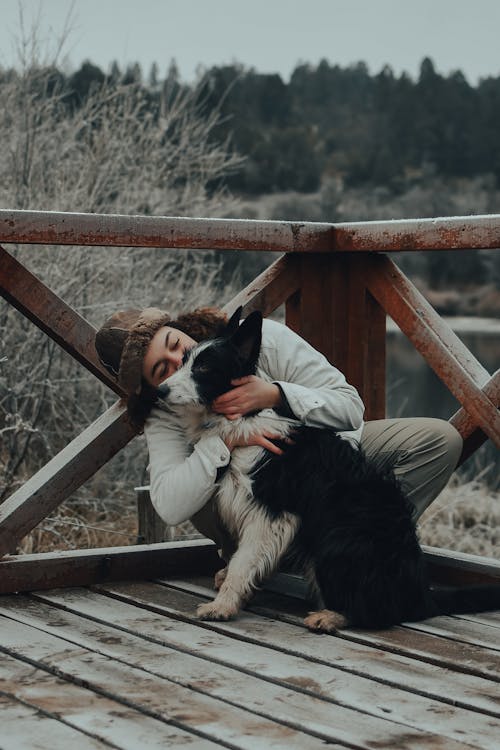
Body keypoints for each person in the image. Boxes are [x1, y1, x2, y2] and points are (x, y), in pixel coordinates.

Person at [95, 305, 463, 561]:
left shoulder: (262, 338)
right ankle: (268, 559)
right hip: (251, 508)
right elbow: (170, 506)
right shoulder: (166, 406)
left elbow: (351, 408)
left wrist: (277, 394)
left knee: (438, 440)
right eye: (162, 369)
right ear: (152, 387)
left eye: (175, 344)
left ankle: (364, 552)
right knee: (206, 496)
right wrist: (221, 441)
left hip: (322, 471)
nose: (179, 362)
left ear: (179, 328)